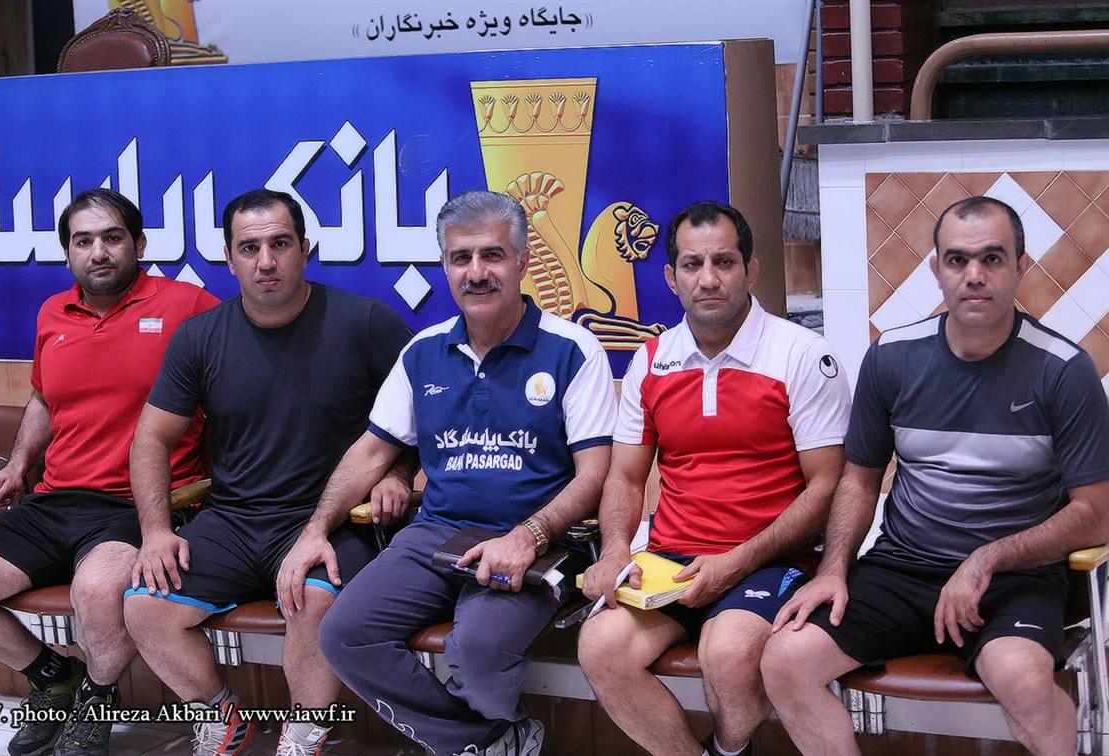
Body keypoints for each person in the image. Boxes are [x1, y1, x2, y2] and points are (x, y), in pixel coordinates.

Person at [762, 196, 1109, 756]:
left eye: (993, 258)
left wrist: (986, 560)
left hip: (1014, 579)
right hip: (903, 568)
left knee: (1024, 684)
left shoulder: (1063, 371)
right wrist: (833, 569)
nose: (974, 275)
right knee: (785, 661)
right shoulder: (891, 357)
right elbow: (858, 480)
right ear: (937, 269)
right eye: (957, 259)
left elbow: (1096, 514)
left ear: (1021, 267)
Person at [0, 189, 219, 756]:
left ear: (139, 244)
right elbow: (43, 398)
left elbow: (238, 388)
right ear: (68, 252)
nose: (98, 252)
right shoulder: (53, 312)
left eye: (112, 238)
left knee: (97, 593)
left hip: (142, 504)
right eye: (83, 241)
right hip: (52, 500)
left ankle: (97, 698)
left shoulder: (190, 305)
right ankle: (54, 676)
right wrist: (18, 463)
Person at [309, 190, 616, 756]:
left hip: (541, 543)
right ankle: (491, 740)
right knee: (344, 633)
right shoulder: (422, 351)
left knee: (477, 649)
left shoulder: (574, 349)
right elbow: (372, 452)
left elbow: (595, 474)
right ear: (445, 265)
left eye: (492, 255)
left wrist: (528, 535)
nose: (476, 272)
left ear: (522, 261)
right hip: (437, 534)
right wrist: (314, 530)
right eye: (461, 258)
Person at [122, 189, 413, 756]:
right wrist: (155, 531)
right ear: (229, 259)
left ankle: (302, 735)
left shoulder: (366, 322)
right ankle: (221, 718)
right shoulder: (199, 337)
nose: (266, 261)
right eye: (249, 248)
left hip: (334, 520)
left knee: (313, 600)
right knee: (144, 606)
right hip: (232, 520)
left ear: (305, 248)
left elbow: (423, 419)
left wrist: (397, 473)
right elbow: (151, 438)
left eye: (280, 244)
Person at [576, 200, 851, 756]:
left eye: (723, 262)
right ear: (670, 277)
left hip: (773, 560)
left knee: (727, 653)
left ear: (751, 270)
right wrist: (614, 550)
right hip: (670, 562)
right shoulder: (651, 360)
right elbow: (625, 478)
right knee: (600, 646)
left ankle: (730, 748)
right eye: (692, 264)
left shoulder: (801, 355)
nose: (707, 279)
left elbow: (828, 486)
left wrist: (737, 562)